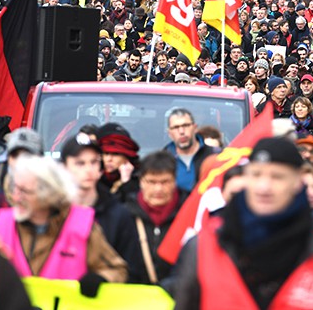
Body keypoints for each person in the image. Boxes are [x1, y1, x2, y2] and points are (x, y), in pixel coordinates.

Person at [175, 137, 313, 309]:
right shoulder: (203, 245)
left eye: (277, 177)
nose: (264, 187)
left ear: (298, 182)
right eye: (256, 175)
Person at [0, 155, 127, 293]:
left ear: (47, 194)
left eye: (24, 191)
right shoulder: (3, 222)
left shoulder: (81, 225)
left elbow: (116, 270)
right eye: (16, 188)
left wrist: (100, 278)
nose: (15, 197)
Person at [61, 133, 146, 283]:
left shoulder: (118, 214)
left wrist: (105, 278)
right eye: (80, 163)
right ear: (64, 167)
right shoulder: (51, 211)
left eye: (94, 162)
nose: (88, 169)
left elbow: (133, 270)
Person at [126, 151, 183, 288]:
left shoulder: (189, 213)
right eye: (151, 182)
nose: (158, 189)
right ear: (141, 181)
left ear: (174, 181)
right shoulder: (125, 215)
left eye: (165, 182)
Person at [165, 108, 213, 191]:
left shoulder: (214, 155)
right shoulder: (163, 160)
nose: (181, 131)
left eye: (186, 125)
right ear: (169, 133)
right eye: (176, 127)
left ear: (195, 128)